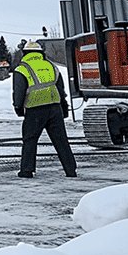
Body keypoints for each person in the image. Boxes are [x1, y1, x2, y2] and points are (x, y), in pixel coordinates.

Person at [12, 40, 77, 178]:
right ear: (41, 52)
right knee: (61, 140)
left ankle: (27, 170)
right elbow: (60, 88)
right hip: (54, 107)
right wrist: (64, 107)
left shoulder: (22, 68)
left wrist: (18, 107)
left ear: (24, 53)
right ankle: (70, 170)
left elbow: (19, 90)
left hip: (35, 109)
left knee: (30, 139)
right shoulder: (51, 66)